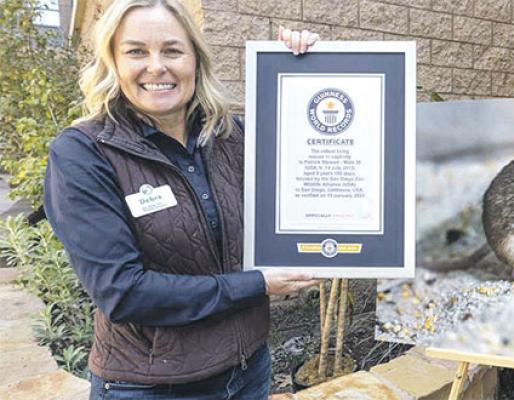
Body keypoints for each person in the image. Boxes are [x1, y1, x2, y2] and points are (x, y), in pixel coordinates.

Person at [42, 0, 319, 398]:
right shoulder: (84, 153)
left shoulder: (231, 137)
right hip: (152, 386)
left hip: (249, 372)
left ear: (195, 60)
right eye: (136, 51)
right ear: (113, 62)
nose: (156, 66)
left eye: (172, 50)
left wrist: (308, 66)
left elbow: (314, 154)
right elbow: (123, 291)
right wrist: (257, 284)